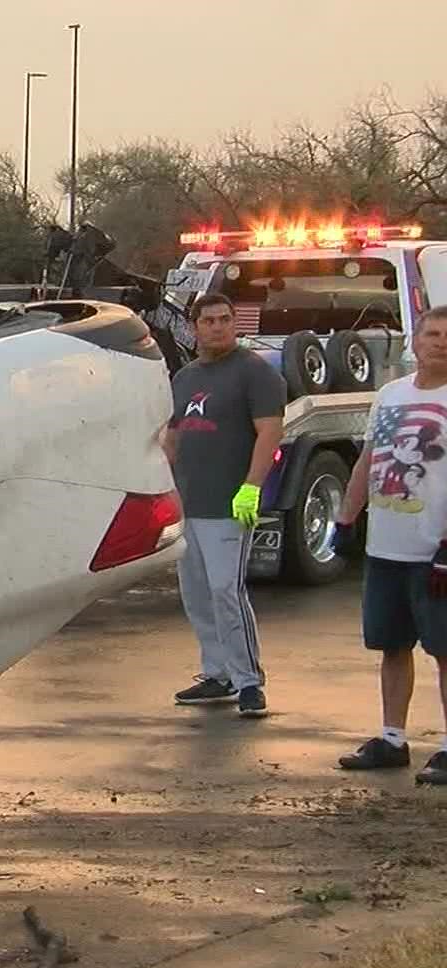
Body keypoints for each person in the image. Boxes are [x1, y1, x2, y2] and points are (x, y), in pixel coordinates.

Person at [335, 306, 447, 783]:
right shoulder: (389, 395)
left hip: (436, 551)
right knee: (392, 646)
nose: (440, 342)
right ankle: (392, 739)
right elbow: (368, 459)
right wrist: (345, 517)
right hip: (387, 548)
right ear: (414, 342)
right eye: (433, 333)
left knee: (445, 651)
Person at [162, 292, 286, 718]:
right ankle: (217, 673)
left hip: (229, 505)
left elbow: (270, 432)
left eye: (224, 319)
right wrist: (164, 487)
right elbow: (174, 436)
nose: (217, 327)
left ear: (236, 323)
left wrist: (252, 486)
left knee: (225, 591)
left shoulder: (254, 373)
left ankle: (248, 680)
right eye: (209, 321)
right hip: (188, 504)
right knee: (196, 593)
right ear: (195, 327)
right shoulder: (185, 377)